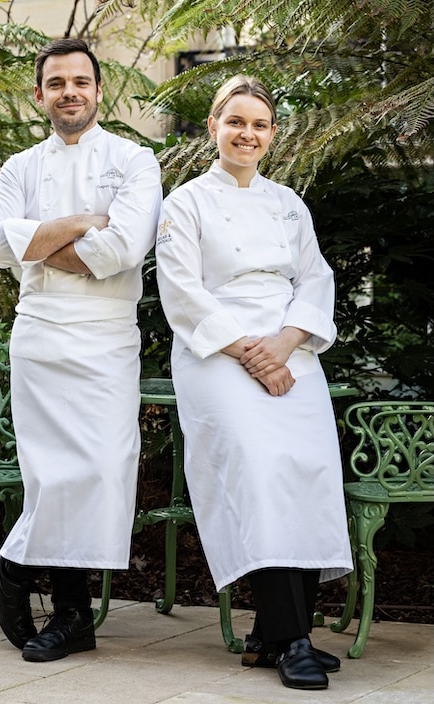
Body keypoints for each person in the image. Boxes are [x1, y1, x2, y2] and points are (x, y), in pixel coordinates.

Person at [155, 75, 353, 691]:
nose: (248, 133)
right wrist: (249, 351)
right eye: (235, 122)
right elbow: (181, 291)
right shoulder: (184, 203)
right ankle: (292, 638)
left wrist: (285, 345)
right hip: (216, 352)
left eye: (260, 124)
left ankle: (273, 637)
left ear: (272, 134)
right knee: (259, 478)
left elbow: (315, 281)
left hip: (291, 349)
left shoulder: (289, 202)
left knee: (305, 473)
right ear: (213, 127)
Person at [0, 38, 162, 663]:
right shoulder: (20, 167)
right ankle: (73, 618)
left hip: (108, 332)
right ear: (40, 95)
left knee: (104, 469)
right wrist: (85, 220)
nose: (69, 92)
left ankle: (13, 568)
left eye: (80, 81)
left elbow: (124, 251)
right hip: (40, 331)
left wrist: (35, 240)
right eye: (56, 84)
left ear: (99, 90)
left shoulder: (136, 160)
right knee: (52, 473)